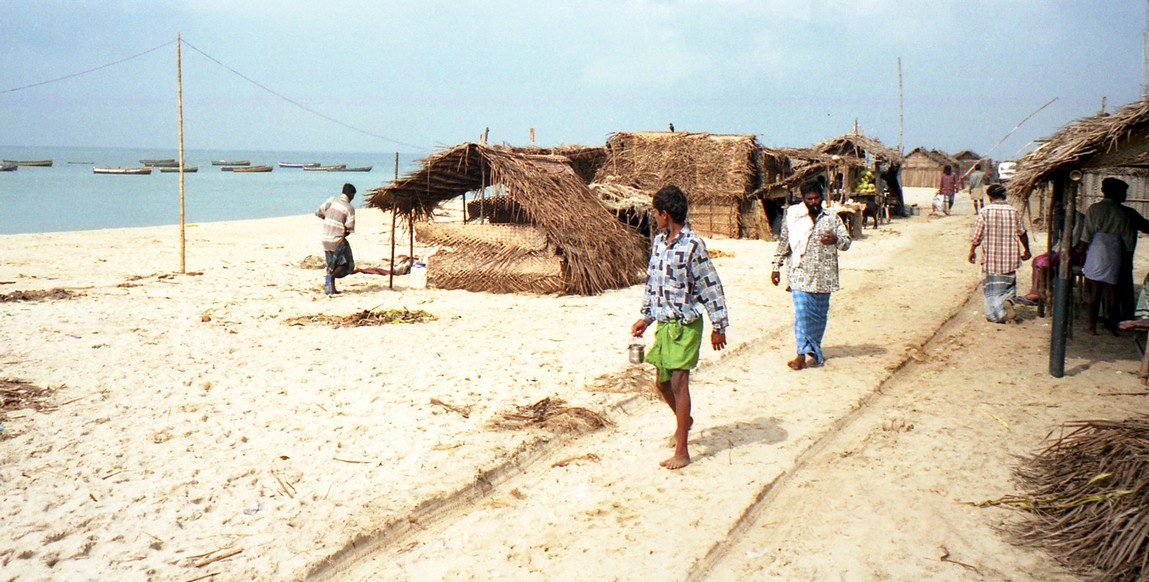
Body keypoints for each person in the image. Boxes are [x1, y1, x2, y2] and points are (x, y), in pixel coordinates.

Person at [630, 185, 729, 471]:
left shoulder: (693, 245)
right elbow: (653, 284)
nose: (655, 217)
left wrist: (718, 325)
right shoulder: (659, 243)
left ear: (666, 213)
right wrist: (645, 319)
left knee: (678, 382)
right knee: (661, 383)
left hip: (686, 325)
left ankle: (683, 450)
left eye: (657, 213)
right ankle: (684, 421)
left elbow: (711, 286)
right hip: (664, 324)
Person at [770, 179, 851, 370]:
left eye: (817, 198)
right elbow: (784, 242)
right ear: (803, 199)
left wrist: (835, 239)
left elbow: (846, 242)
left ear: (822, 198)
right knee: (802, 313)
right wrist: (776, 266)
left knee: (819, 316)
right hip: (800, 274)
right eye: (810, 199)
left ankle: (813, 348)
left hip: (824, 277)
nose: (814, 202)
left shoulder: (832, 218)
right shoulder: (793, 217)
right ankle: (800, 355)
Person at [1078, 178, 1135, 335]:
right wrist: (1127, 258)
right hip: (1114, 252)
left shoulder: (1094, 209)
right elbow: (1128, 240)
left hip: (1097, 250)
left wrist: (1082, 254)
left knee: (1095, 292)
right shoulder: (1123, 212)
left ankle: (1092, 326)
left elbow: (1086, 235)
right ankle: (1111, 325)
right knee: (1112, 292)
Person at [968, 184, 1032, 323]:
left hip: (991, 258)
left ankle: (996, 314)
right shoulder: (1013, 211)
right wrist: (1027, 250)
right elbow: (1022, 233)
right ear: (1004, 196)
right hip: (1010, 257)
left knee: (991, 287)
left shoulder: (985, 211)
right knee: (1008, 284)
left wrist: (972, 250)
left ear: (990, 197)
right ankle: (1008, 301)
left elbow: (977, 235)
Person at [316, 183, 357, 295]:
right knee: (347, 264)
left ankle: (331, 289)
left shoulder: (332, 200)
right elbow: (349, 228)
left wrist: (329, 219)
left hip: (325, 237)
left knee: (331, 264)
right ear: (352, 195)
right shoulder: (349, 208)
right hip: (337, 239)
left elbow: (319, 212)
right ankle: (330, 277)